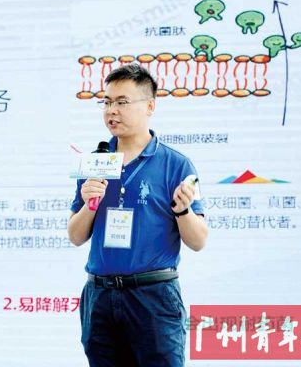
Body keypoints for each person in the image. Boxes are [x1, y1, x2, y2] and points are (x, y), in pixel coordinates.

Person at [68, 63, 208, 367]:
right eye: (107, 102)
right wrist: (90, 204)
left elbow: (198, 241)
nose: (111, 111)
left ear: (149, 106)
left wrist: (182, 210)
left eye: (122, 102)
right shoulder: (95, 162)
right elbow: (75, 236)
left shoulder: (177, 165)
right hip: (100, 296)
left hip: (152, 296)